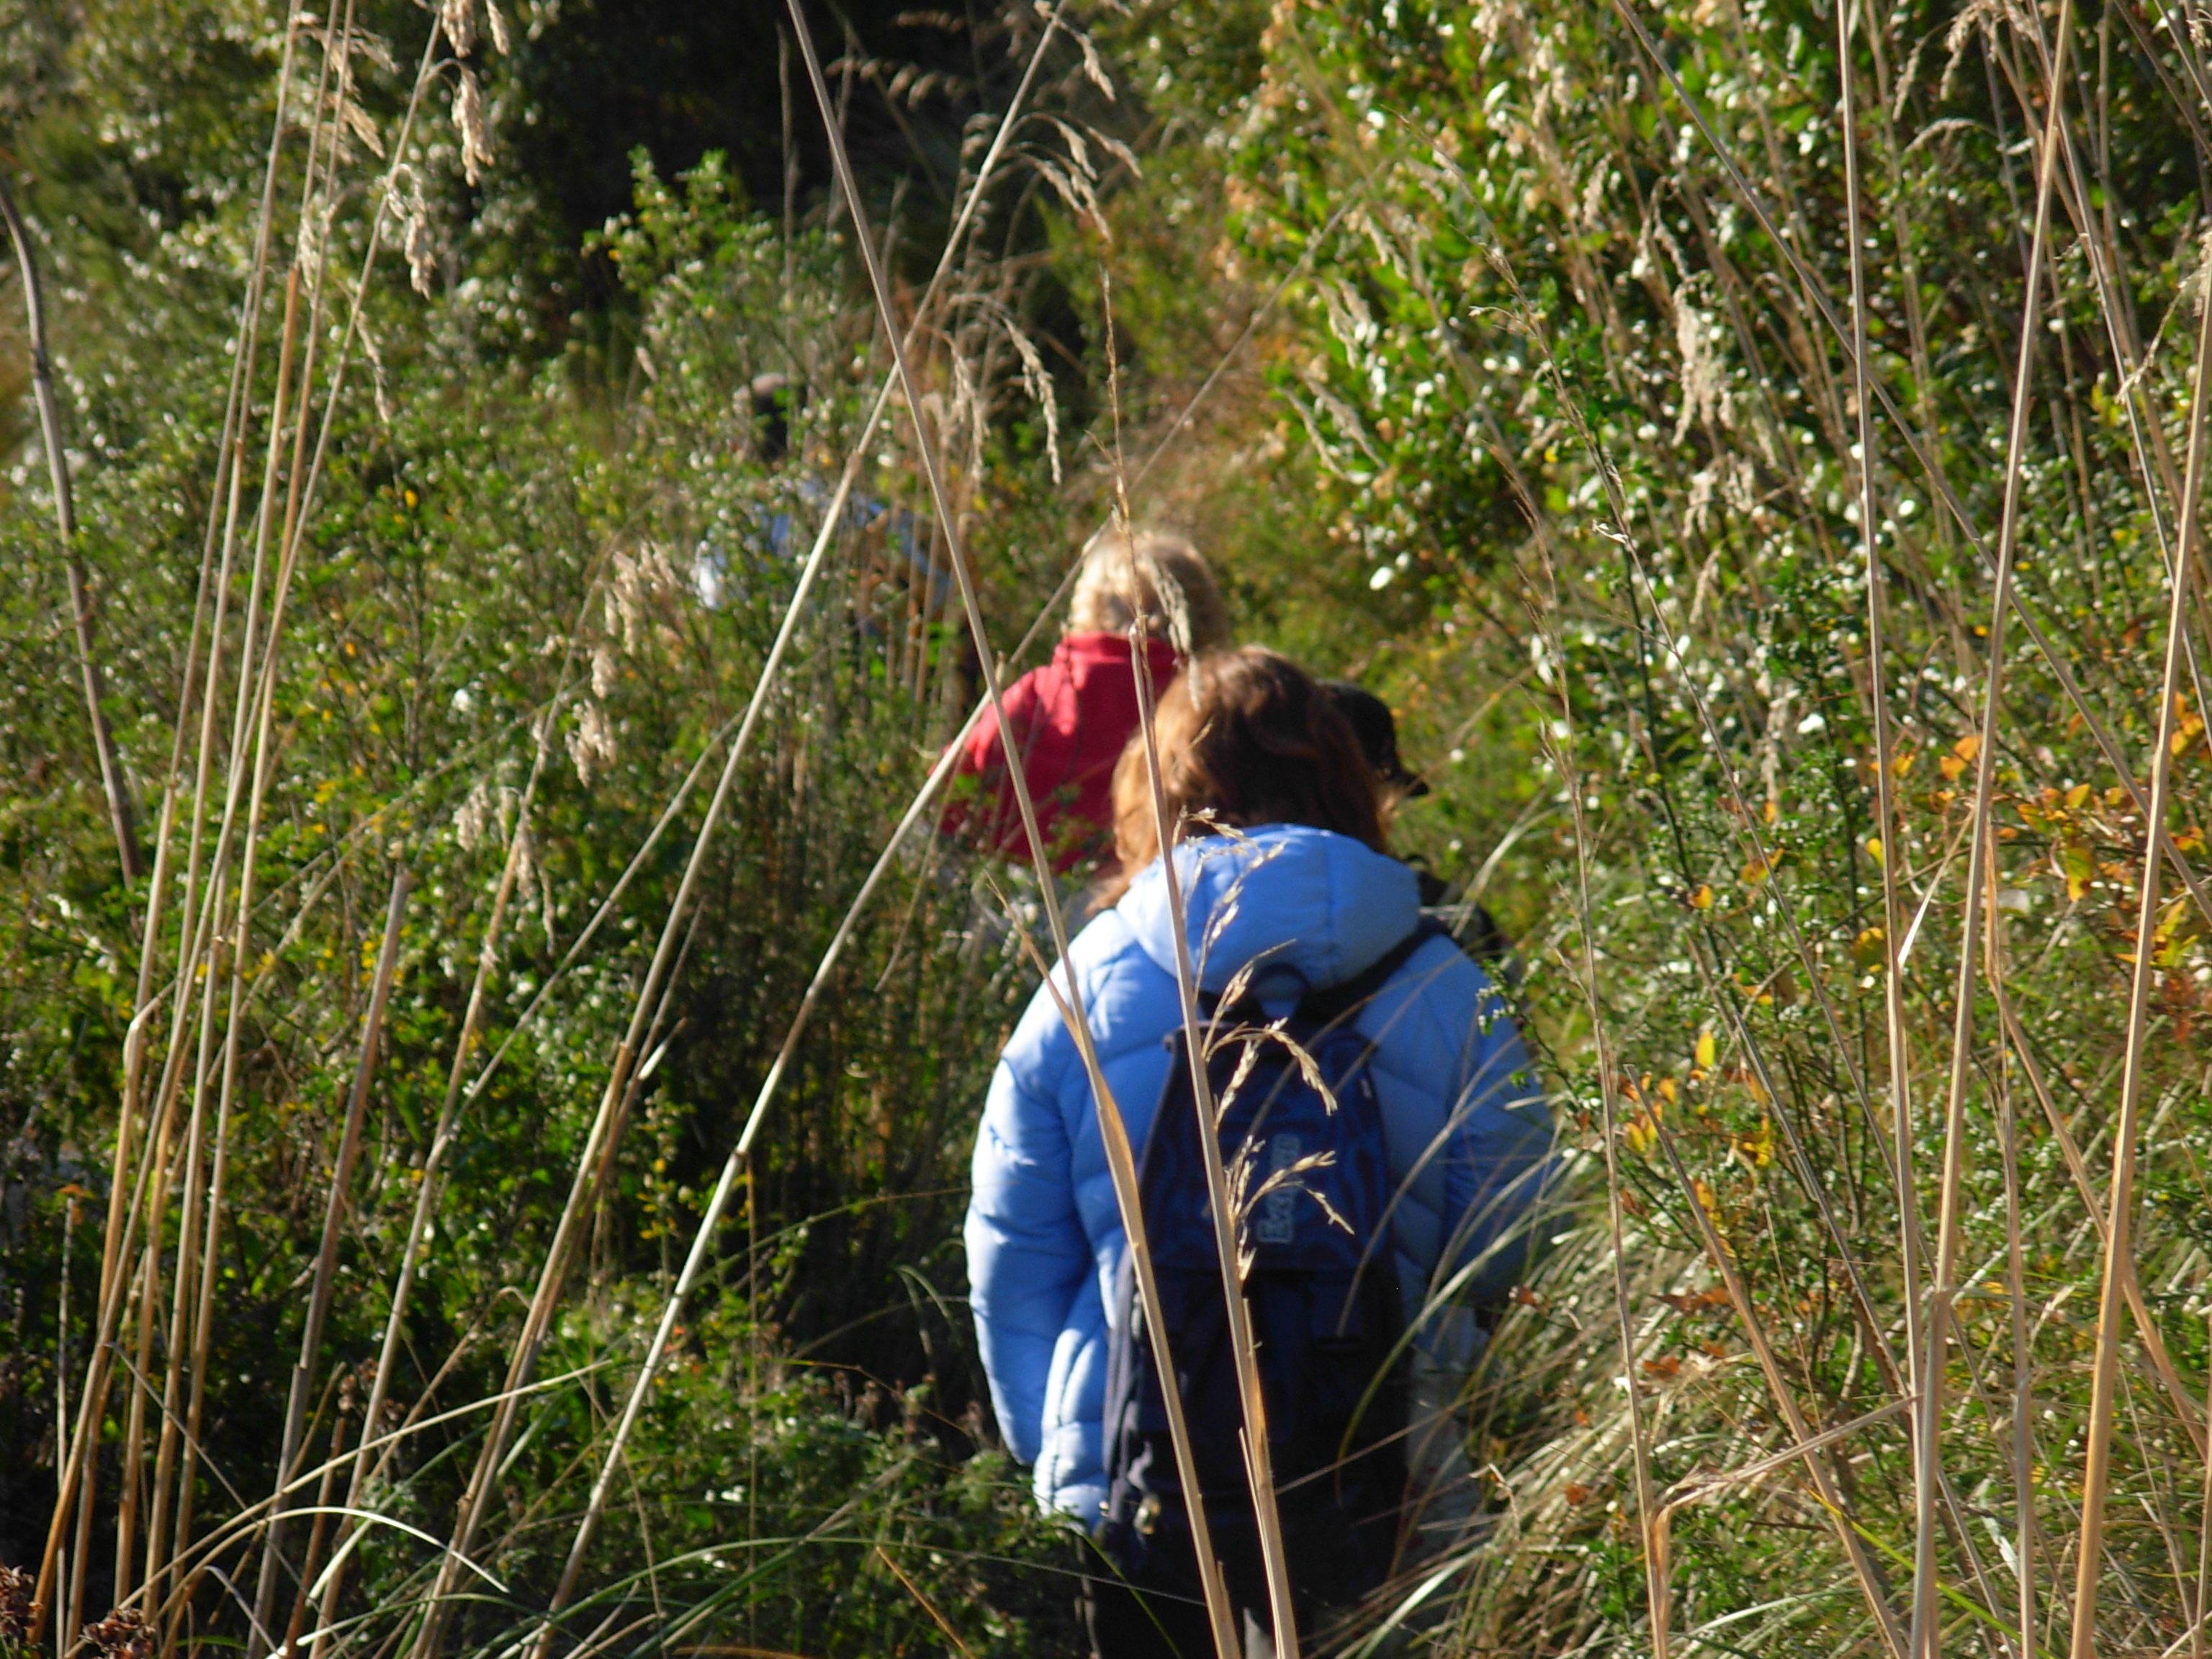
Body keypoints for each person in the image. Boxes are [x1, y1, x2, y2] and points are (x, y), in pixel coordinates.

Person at [964, 647, 1555, 1656]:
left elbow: (1014, 1250)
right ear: (1348, 782)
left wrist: (1056, 1454)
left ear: (1156, 791)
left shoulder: (1087, 980)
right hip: (1388, 1469)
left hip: (1140, 1480)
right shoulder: (1444, 977)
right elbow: (1518, 1233)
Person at [941, 528, 1231, 873]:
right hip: (1158, 888)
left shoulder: (1033, 695)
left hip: (1005, 884)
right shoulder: (1204, 707)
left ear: (1089, 605)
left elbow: (950, 796)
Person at [1318, 679, 1517, 981]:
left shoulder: (1243, 910)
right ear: (1371, 792)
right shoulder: (1447, 915)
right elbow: (1511, 998)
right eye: (1389, 801)